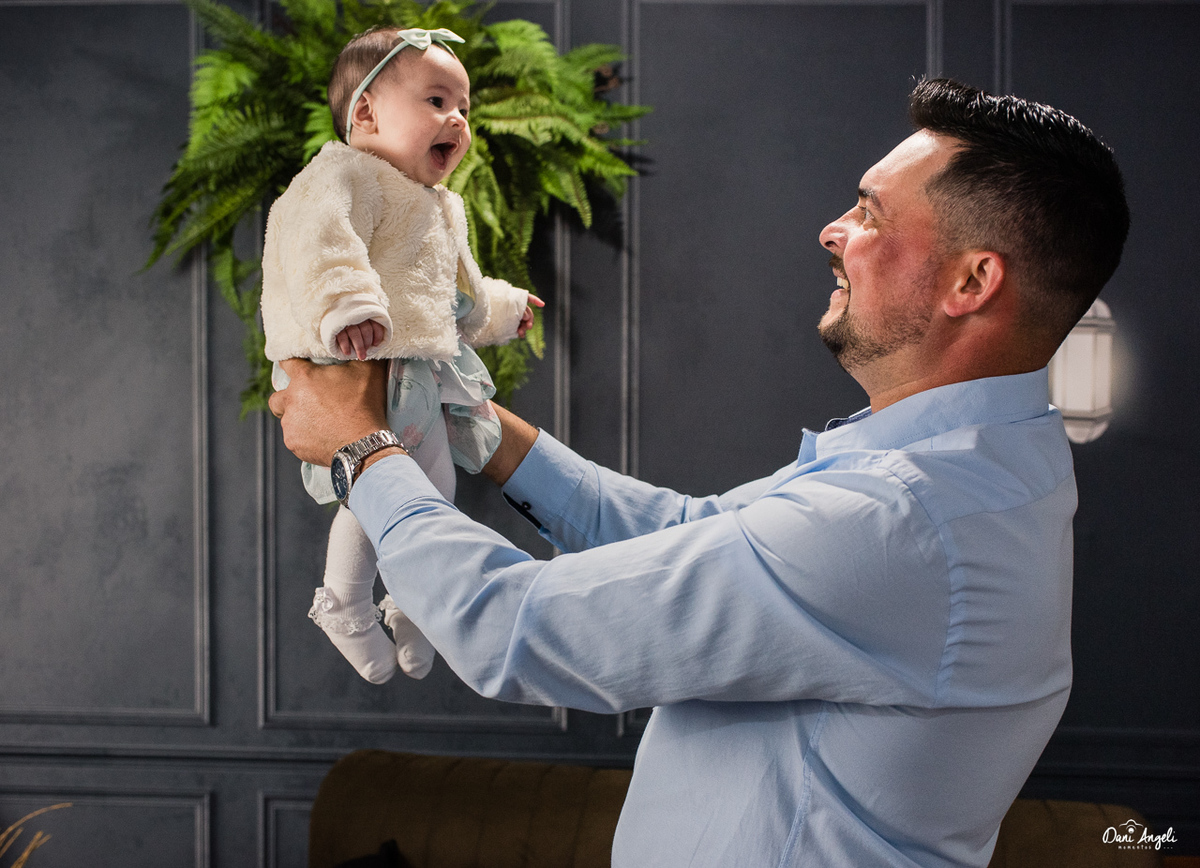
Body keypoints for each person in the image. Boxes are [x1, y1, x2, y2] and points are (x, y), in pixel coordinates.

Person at [268, 78, 1130, 867]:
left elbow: (513, 628)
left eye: (870, 215)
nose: (832, 231)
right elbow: (692, 536)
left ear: (972, 281)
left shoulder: (900, 518)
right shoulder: (975, 469)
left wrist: (363, 450)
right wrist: (475, 427)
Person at [260, 27, 541, 684]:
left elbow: (452, 294)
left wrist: (505, 309)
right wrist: (347, 306)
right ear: (366, 113)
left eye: (464, 107)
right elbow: (317, 241)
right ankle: (344, 601)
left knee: (431, 493)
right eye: (437, 101)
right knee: (370, 494)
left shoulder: (438, 205)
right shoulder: (342, 175)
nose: (458, 120)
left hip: (415, 371)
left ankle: (412, 599)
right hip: (348, 363)